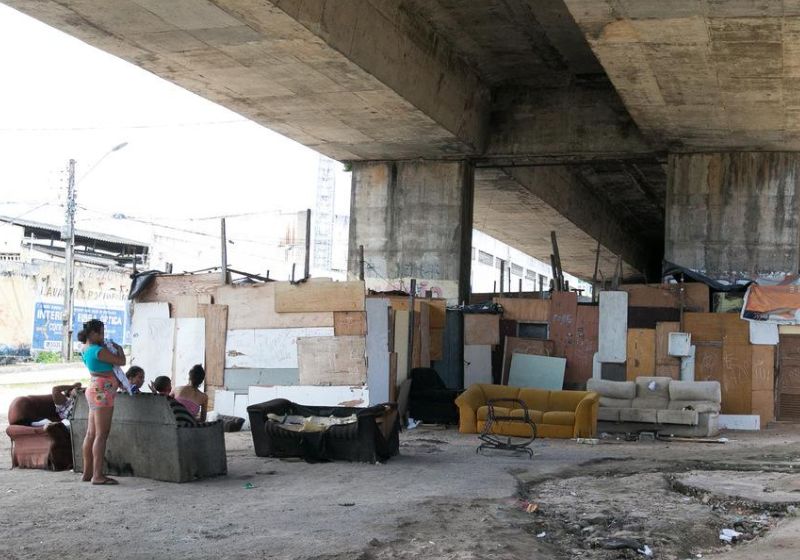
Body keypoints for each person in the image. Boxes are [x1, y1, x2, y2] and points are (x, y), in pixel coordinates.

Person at [78, 318, 126, 485]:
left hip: (93, 388)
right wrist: (119, 349)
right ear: (93, 333)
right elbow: (122, 361)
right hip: (102, 392)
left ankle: (87, 472)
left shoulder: (85, 349)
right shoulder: (99, 350)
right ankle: (97, 475)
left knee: (91, 434)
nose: (103, 336)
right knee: (101, 435)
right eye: (101, 333)